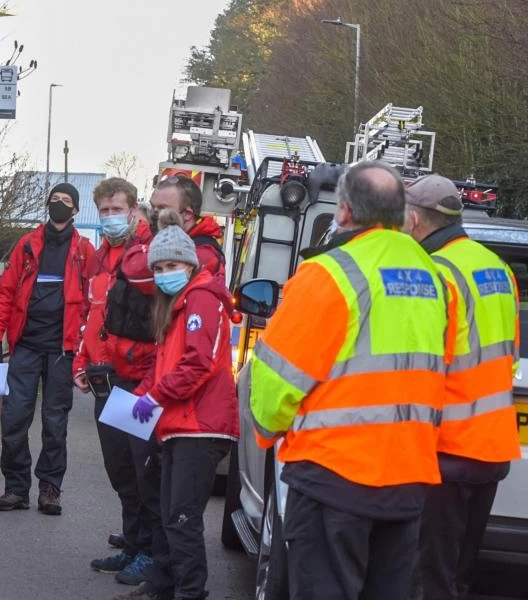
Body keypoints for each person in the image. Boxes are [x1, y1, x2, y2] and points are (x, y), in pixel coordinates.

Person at [246, 161, 452, 599]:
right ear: (403, 214)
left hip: (334, 477)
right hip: (407, 479)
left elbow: (277, 379)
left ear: (343, 211)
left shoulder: (329, 274)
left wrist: (268, 431)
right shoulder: (432, 278)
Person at [403, 175, 521, 599]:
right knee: (456, 577)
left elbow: (421, 368)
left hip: (444, 450)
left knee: (427, 579)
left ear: (414, 219)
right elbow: (507, 352)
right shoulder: (498, 269)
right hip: (489, 448)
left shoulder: (434, 273)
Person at [122, 209, 238, 600]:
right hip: (182, 424)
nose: (164, 273)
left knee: (182, 518)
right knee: (173, 516)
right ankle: (168, 588)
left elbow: (197, 364)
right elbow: (166, 365)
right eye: (159, 267)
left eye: (172, 265)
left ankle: (190, 592)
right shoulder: (180, 302)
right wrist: (142, 397)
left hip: (199, 426)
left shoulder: (201, 299)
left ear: (189, 264)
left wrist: (152, 397)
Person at [0, 182, 94, 515]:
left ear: (76, 211)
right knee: (14, 417)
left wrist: (86, 348)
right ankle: (16, 488)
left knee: (54, 423)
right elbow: (5, 292)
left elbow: (94, 302)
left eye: (66, 201)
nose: (59, 205)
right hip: (26, 347)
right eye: (55, 199)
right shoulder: (28, 245)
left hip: (62, 351)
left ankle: (50, 488)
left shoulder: (84, 251)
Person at [73, 177, 160, 587]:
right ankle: (134, 543)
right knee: (121, 469)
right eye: (104, 211)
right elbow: (93, 318)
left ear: (134, 209)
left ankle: (149, 551)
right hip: (106, 379)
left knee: (143, 471)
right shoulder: (102, 257)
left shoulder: (147, 255)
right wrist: (82, 361)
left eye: (117, 209)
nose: (110, 217)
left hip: (136, 380)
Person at [148, 175, 225, 276]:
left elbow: (136, 270)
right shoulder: (163, 240)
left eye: (163, 208)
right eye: (153, 207)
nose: (155, 214)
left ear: (187, 214)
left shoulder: (205, 253)